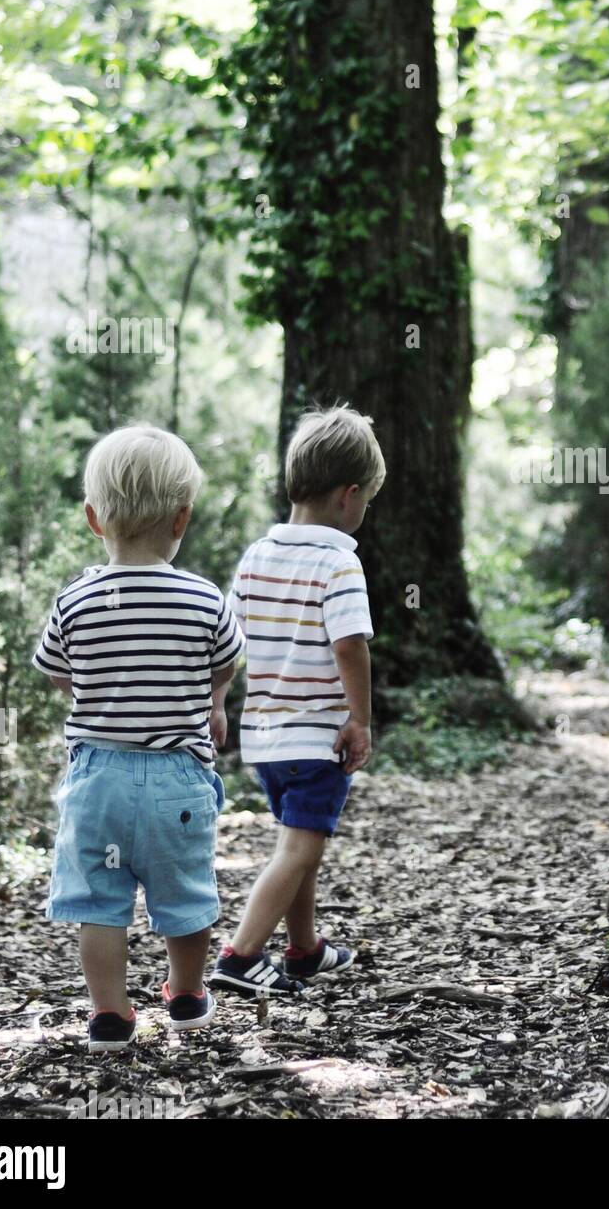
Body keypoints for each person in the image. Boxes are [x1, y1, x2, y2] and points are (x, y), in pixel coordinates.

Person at [34, 425, 242, 1051]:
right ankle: (184, 992)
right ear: (182, 518)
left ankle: (110, 1013)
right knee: (186, 892)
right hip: (176, 777)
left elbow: (56, 670)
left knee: (98, 900)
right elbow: (227, 659)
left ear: (93, 519)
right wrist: (214, 701)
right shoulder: (204, 597)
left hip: (99, 779)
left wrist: (98, 696)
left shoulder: (77, 598)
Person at [211, 406, 381, 997]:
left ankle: (304, 949)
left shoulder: (258, 554)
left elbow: (226, 639)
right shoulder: (339, 561)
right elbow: (350, 646)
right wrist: (358, 718)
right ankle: (240, 955)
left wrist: (218, 701)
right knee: (297, 848)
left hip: (264, 737)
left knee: (298, 839)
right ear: (349, 495)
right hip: (316, 735)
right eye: (367, 502)